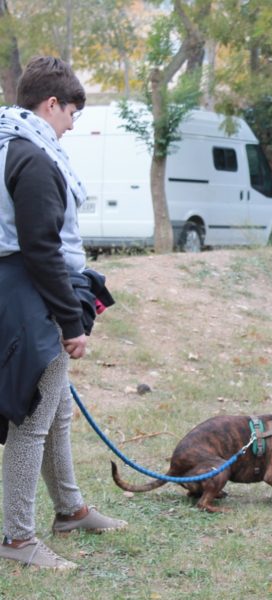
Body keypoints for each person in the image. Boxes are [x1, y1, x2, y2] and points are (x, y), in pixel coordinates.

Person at [0, 56, 127, 571]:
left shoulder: (9, 142)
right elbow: (41, 248)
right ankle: (16, 538)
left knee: (58, 411)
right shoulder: (30, 156)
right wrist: (72, 325)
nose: (73, 126)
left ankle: (70, 509)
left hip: (18, 288)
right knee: (34, 419)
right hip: (27, 294)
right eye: (72, 113)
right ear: (50, 104)